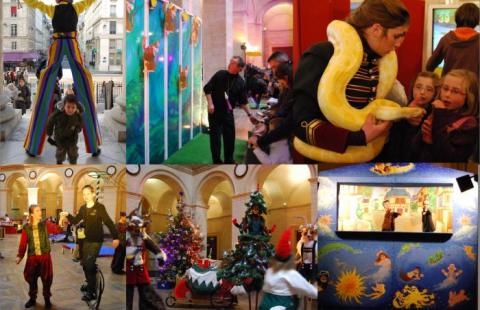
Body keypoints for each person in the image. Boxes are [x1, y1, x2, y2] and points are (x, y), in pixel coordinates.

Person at [293, 0, 410, 162]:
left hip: (369, 157)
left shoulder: (378, 61)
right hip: (327, 163)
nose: (399, 43)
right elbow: (301, 123)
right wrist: (357, 138)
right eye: (396, 36)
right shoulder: (322, 55)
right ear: (376, 29)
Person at [23, 0, 102, 158]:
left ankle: (33, 147)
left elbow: (35, 3)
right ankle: (94, 146)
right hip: (72, 44)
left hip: (57, 44)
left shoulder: (52, 9)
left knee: (46, 82)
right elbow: (89, 1)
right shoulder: (76, 7)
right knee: (84, 80)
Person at [59, 185, 119, 301]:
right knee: (84, 264)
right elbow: (75, 221)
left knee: (89, 265)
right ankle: (89, 283)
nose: (85, 196)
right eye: (84, 194)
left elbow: (109, 222)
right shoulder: (82, 208)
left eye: (87, 193)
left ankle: (92, 293)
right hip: (85, 240)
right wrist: (67, 215)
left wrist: (115, 237)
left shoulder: (99, 207)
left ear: (93, 194)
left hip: (96, 240)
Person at [411, 69, 478, 162]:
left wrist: (432, 139)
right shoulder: (438, 110)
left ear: (468, 97)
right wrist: (423, 134)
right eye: (445, 88)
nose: (447, 94)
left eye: (455, 91)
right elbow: (414, 148)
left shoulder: (469, 123)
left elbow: (450, 158)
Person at [203, 56, 254, 163]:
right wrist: (210, 104)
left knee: (230, 137)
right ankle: (216, 161)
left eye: (233, 63)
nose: (230, 63)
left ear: (240, 68)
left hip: (228, 113)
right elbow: (207, 88)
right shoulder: (220, 74)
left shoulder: (240, 82)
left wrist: (250, 115)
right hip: (214, 111)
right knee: (215, 138)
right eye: (230, 61)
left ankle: (229, 160)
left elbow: (243, 101)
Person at [381, 71, 439, 161]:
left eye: (429, 89)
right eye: (418, 87)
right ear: (412, 88)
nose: (422, 92)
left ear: (435, 93)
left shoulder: (432, 117)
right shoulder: (401, 110)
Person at [259, 228, 317, 310]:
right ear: (289, 259)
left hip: (265, 305)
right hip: (283, 305)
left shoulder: (269, 271)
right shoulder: (290, 274)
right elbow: (311, 291)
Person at [16, 205, 57, 309]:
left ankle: (47, 300)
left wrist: (61, 221)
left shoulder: (45, 224)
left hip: (45, 257)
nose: (40, 212)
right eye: (37, 211)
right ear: (32, 214)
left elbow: (57, 230)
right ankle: (32, 299)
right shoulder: (26, 227)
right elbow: (23, 243)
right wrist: (20, 256)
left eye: (40, 210)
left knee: (47, 279)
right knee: (32, 280)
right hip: (32, 258)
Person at [426, 2, 479, 77]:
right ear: (477, 21)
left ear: (457, 18)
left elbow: (429, 66)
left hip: (448, 86)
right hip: (470, 87)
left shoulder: (446, 39)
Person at [46, 94, 83, 164]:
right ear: (64, 106)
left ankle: (73, 163)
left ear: (76, 108)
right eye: (68, 107)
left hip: (72, 137)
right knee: (61, 151)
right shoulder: (58, 114)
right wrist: (49, 132)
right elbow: (50, 121)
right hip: (60, 137)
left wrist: (78, 129)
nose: (70, 110)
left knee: (73, 152)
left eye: (73, 107)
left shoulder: (77, 115)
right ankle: (59, 162)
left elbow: (80, 122)